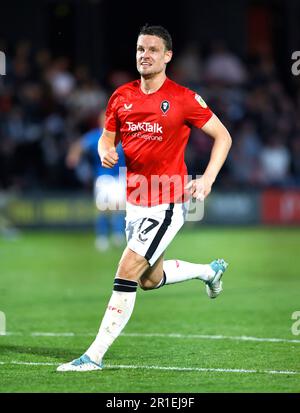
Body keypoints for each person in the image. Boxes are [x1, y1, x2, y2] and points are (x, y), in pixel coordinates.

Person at [57, 24, 232, 372]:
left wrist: (208, 179)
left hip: (168, 202)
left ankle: (93, 356)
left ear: (167, 56)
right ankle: (209, 272)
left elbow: (223, 137)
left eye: (152, 49)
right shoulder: (121, 96)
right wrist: (105, 151)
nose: (144, 55)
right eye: (140, 49)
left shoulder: (184, 98)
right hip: (134, 202)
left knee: (126, 270)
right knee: (149, 280)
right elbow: (107, 138)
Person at [66, 109, 126, 251]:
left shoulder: (123, 136)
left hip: (120, 177)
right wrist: (73, 156)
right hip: (103, 177)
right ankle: (102, 237)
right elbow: (79, 145)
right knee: (103, 208)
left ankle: (118, 235)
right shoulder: (97, 136)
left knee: (119, 207)